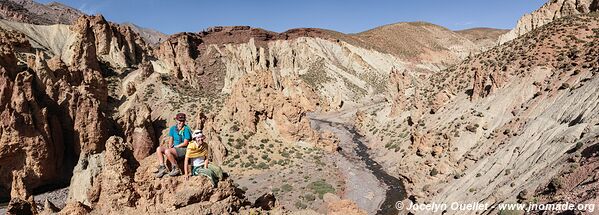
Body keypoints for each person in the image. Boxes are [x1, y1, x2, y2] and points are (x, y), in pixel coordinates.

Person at [155, 113, 192, 178]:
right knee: (159, 149)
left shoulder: (186, 129)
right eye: (180, 121)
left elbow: (185, 143)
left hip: (184, 149)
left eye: (183, 121)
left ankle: (176, 168)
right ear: (176, 120)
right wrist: (170, 147)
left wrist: (174, 147)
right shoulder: (173, 128)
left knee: (167, 151)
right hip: (175, 148)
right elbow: (171, 139)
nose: (181, 122)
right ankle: (162, 167)